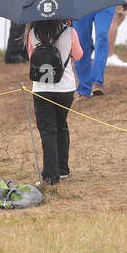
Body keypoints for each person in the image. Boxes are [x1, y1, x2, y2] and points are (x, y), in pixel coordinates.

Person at [27, 18, 83, 186]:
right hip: (65, 88)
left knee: (47, 131)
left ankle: (51, 175)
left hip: (42, 88)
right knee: (61, 126)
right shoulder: (70, 32)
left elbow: (32, 58)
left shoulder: (33, 33)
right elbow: (78, 55)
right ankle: (63, 169)